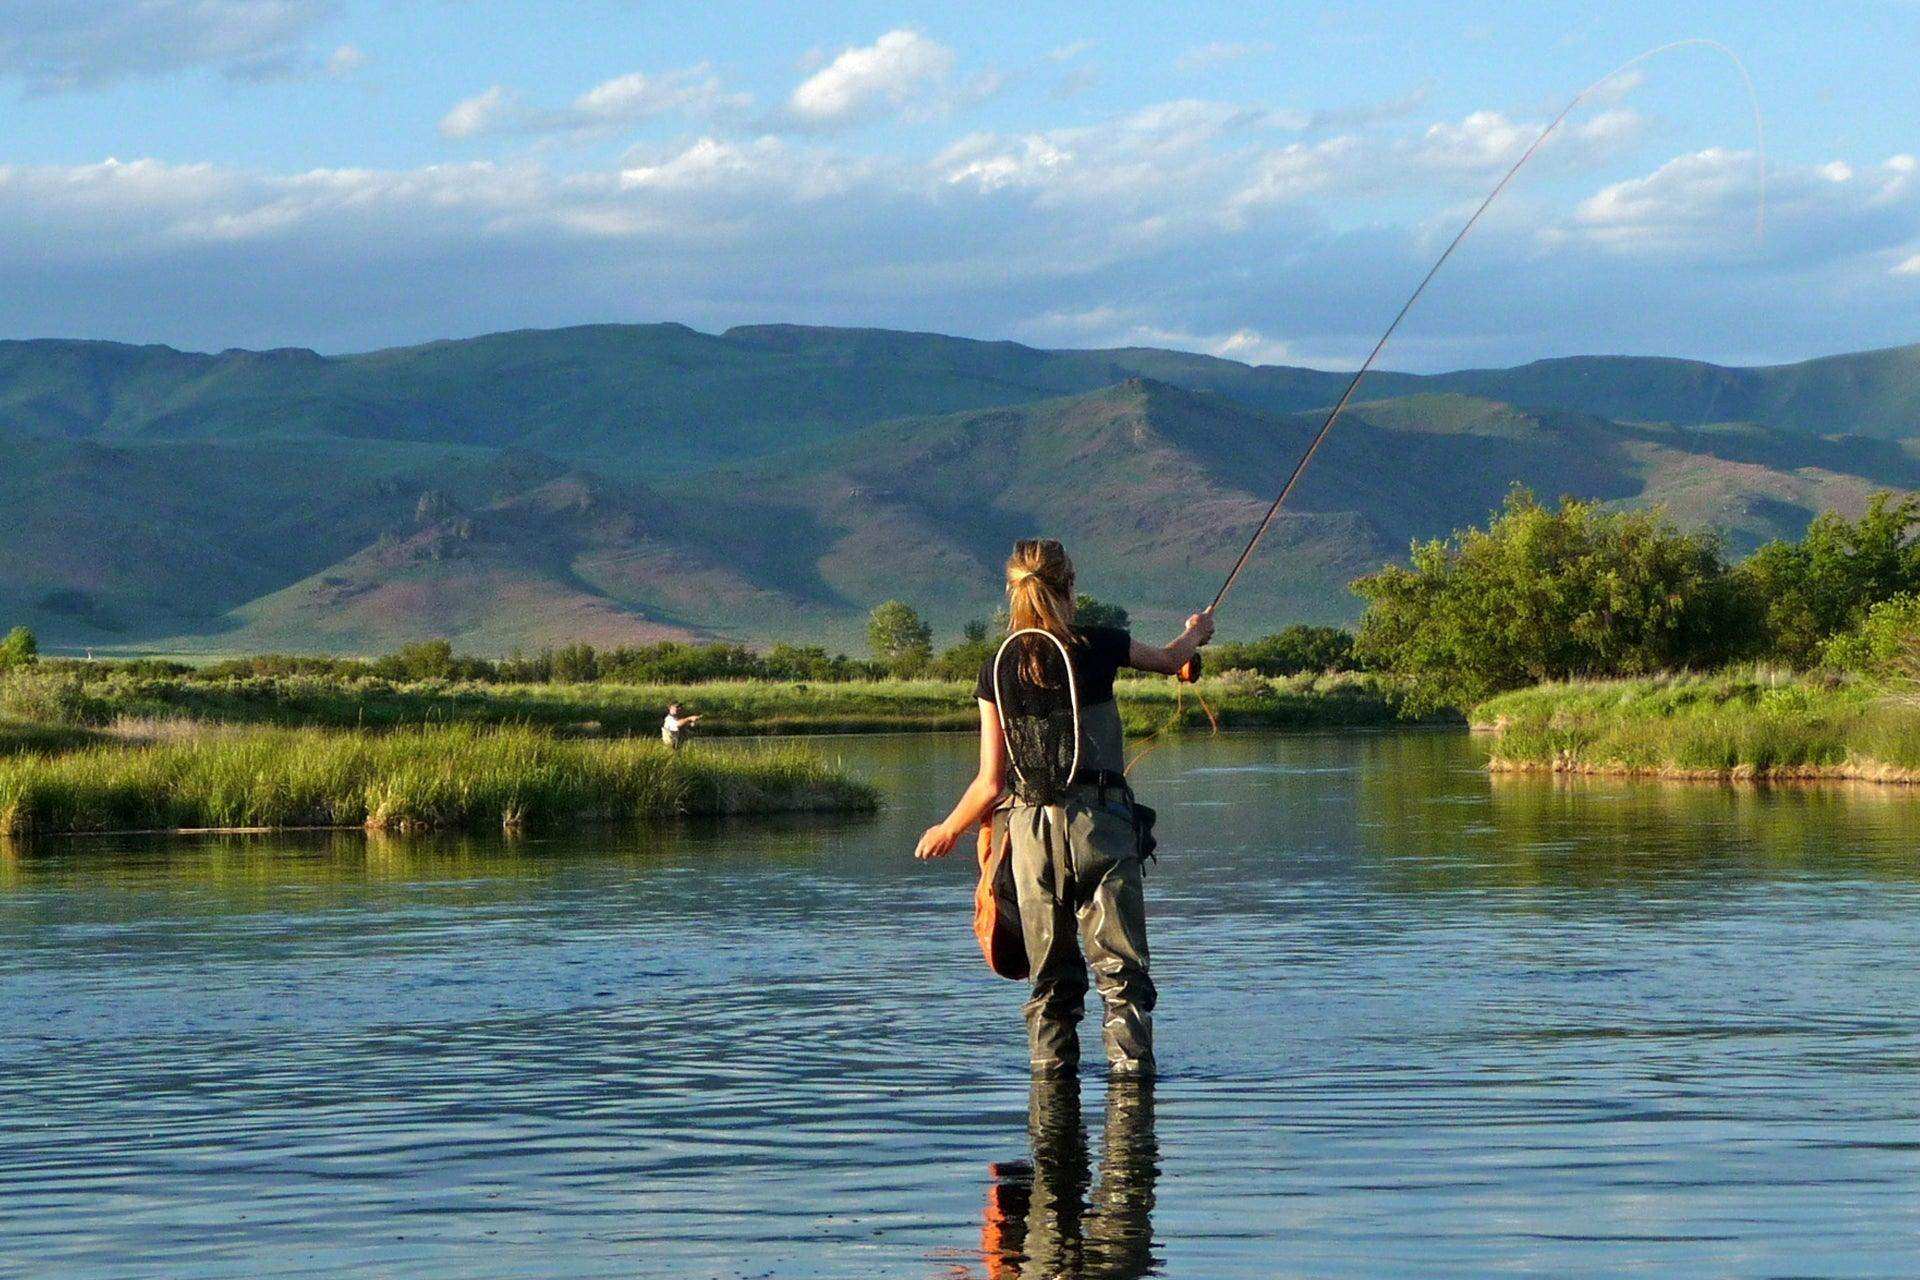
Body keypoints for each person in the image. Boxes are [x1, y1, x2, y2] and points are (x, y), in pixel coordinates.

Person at [914, 538, 1213, 1077]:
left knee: (1050, 981)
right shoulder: (1098, 644)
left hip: (1030, 838)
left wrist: (948, 829)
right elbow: (1172, 660)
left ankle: (1051, 1104)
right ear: (1069, 586)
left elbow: (989, 783)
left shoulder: (995, 668)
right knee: (1120, 977)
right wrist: (1197, 634)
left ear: (1014, 593)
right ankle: (1132, 1100)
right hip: (1100, 826)